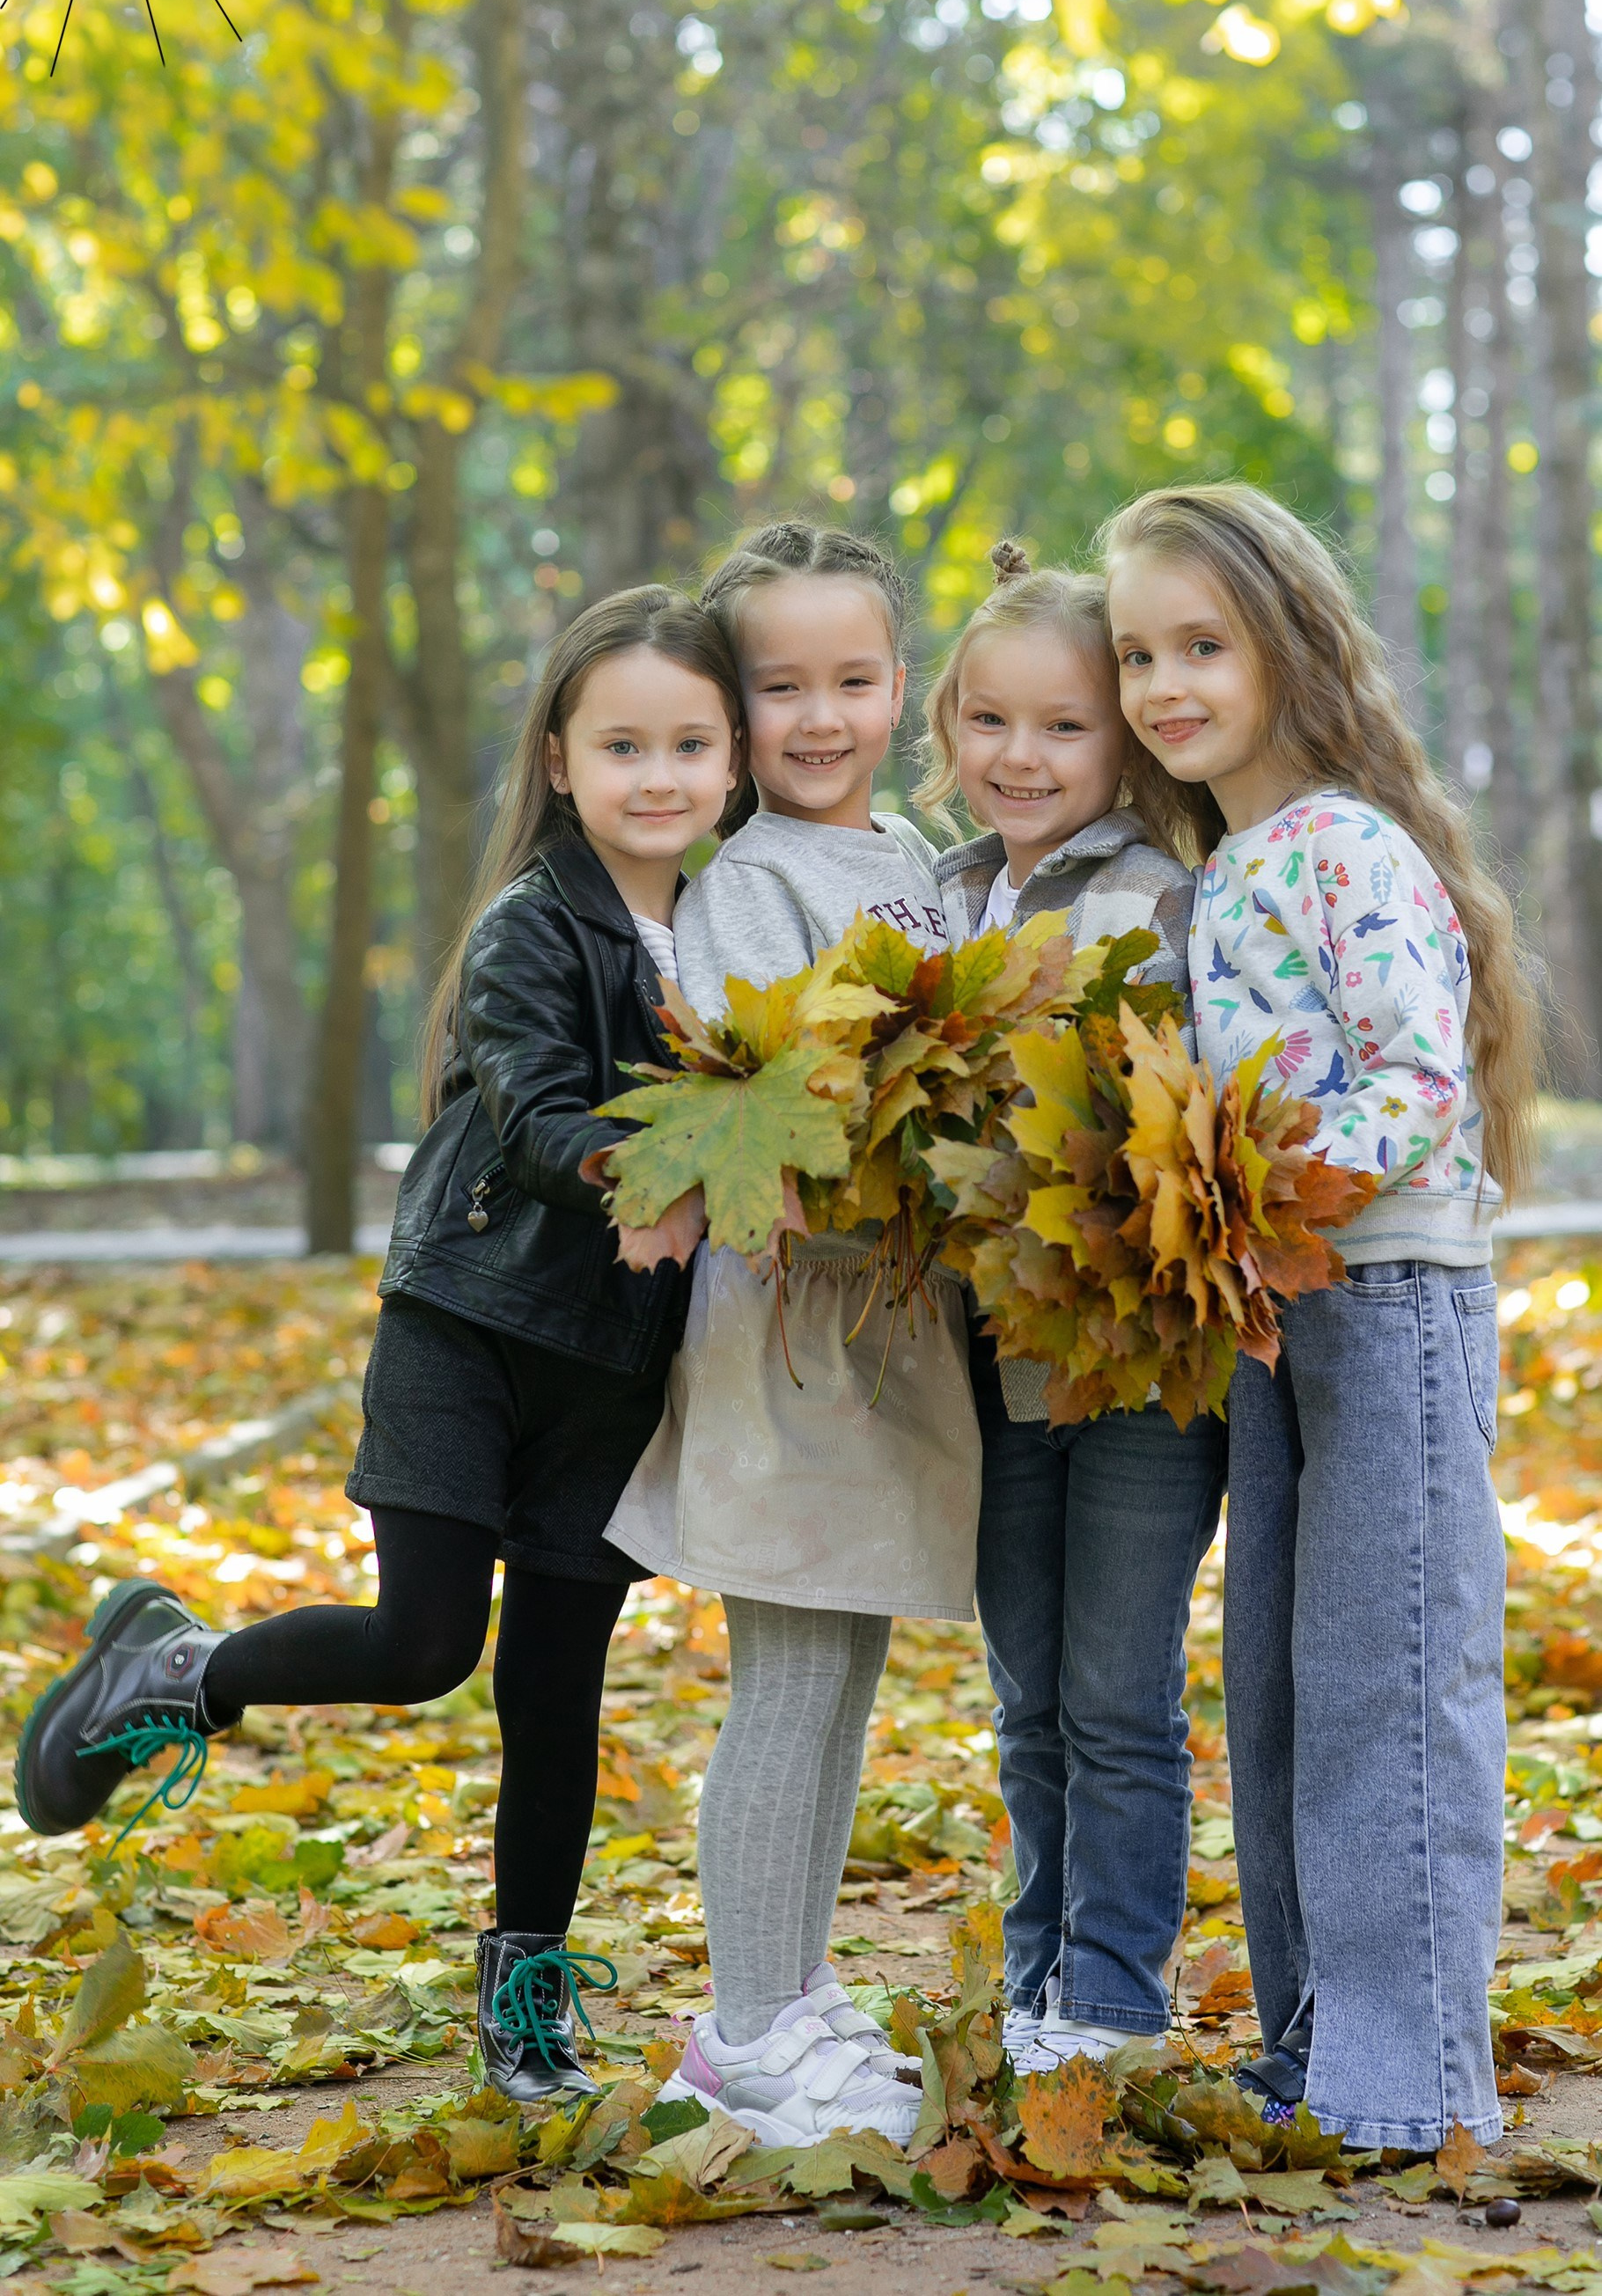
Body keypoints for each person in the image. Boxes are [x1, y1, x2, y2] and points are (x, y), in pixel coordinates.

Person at [14, 586, 746, 2107]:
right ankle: (175, 1666)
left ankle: (529, 1991)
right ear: (560, 759)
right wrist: (656, 1173)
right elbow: (542, 1116)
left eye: (690, 743)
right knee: (428, 1650)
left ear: (734, 760)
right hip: (469, 1324)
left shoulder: (753, 931)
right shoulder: (532, 926)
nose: (658, 775)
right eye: (624, 744)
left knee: (558, 1687)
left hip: (616, 1365)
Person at [1102, 482, 1539, 2152]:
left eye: (1204, 644)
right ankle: (1310, 2043)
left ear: (1290, 640)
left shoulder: (1349, 845)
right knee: (1281, 1682)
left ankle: (1411, 2074)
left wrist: (1244, 1191)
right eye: (1142, 652)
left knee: (1390, 1674)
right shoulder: (1230, 866)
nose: (1166, 684)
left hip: (1392, 1297)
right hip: (1282, 1312)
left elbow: (1420, 1091)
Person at [606, 521, 978, 2149]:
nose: (821, 717)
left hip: (892, 1333)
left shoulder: (910, 848)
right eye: (781, 687)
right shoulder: (748, 879)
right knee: (793, 1674)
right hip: (796, 1331)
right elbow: (781, 1113)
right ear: (733, 704)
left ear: (903, 682)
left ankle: (795, 1991)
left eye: (854, 678)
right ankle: (747, 2029)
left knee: (846, 1676)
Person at [923, 541, 1224, 2073]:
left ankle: (1112, 1989)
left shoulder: (1166, 897)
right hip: (991, 1362)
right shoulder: (939, 896)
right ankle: (1038, 1969)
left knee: (1117, 1688)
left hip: (1139, 1366)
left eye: (1062, 726)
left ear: (1119, 739)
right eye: (992, 722)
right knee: (1029, 1689)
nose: (1021, 756)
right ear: (951, 728)